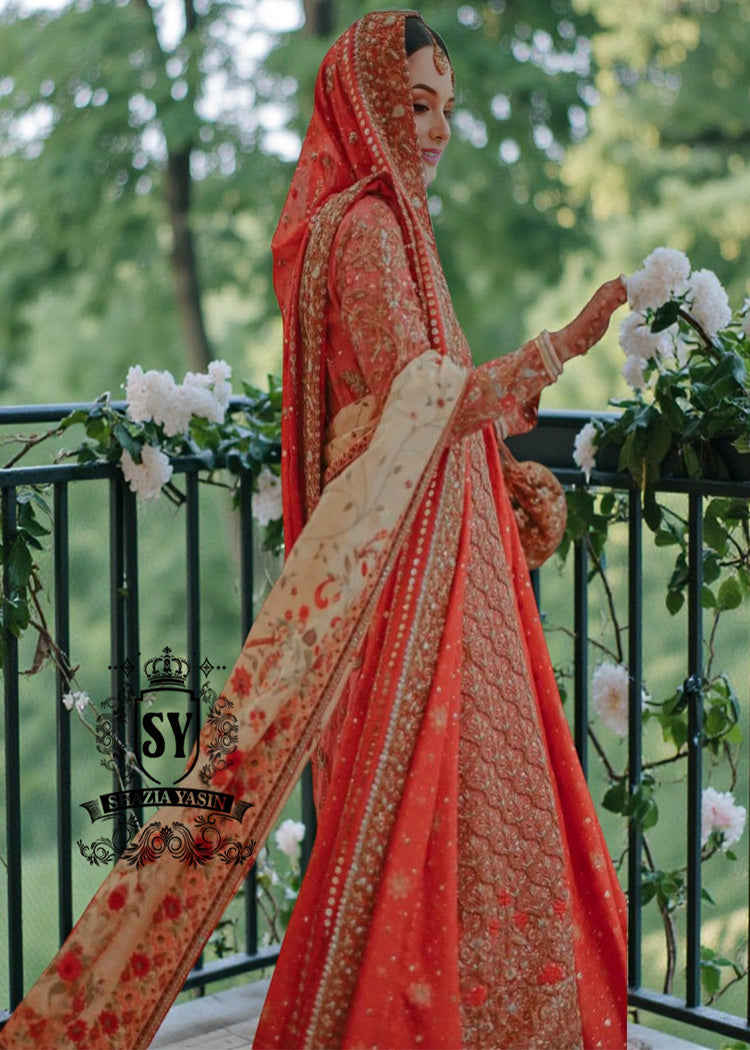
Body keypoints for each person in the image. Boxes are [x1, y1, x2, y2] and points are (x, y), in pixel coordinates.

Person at [0, 11, 626, 1050]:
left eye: (447, 110)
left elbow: (423, 406)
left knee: (470, 819)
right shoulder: (371, 229)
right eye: (417, 105)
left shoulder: (394, 227)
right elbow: (415, 405)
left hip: (451, 561)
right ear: (369, 103)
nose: (436, 130)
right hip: (420, 587)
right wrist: (556, 350)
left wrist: (509, 479)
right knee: (442, 821)